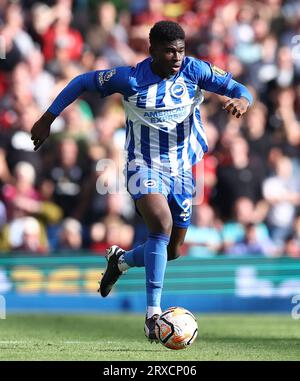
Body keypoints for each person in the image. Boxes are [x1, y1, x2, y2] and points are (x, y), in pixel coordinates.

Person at [31, 21, 252, 342]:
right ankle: (152, 316)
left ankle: (120, 262)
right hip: (142, 166)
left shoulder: (196, 70)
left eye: (180, 50)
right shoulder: (130, 78)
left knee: (173, 250)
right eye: (169, 51)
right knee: (160, 227)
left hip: (183, 170)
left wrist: (243, 102)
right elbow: (81, 82)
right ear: (152, 52)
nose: (176, 57)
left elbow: (240, 90)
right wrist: (47, 118)